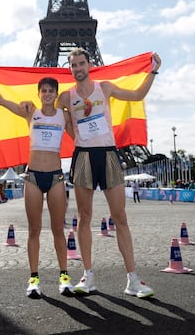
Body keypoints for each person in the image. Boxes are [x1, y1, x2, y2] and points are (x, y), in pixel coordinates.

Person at [57, 48, 161, 298]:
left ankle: (133, 279)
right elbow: (64, 123)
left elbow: (136, 96)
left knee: (120, 216)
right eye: (74, 65)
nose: (78, 68)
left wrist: (153, 71)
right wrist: (81, 139)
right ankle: (88, 275)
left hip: (109, 154)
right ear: (69, 69)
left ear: (89, 64)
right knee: (84, 216)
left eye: (81, 63)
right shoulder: (65, 97)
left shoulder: (105, 88)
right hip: (83, 156)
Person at [0, 67, 75, 299]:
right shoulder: (31, 112)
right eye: (44, 91)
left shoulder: (64, 115)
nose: (48, 94)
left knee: (59, 230)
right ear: (39, 93)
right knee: (34, 230)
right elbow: (2, 102)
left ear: (56, 94)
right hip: (33, 177)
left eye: (51, 91)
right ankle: (34, 277)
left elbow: (80, 135)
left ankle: (64, 276)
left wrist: (80, 107)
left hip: (56, 176)